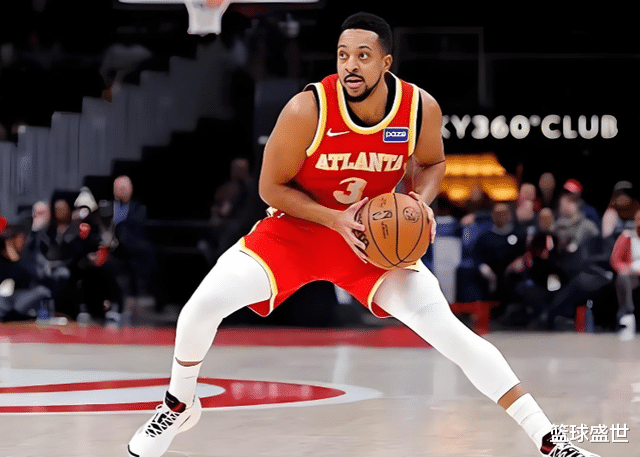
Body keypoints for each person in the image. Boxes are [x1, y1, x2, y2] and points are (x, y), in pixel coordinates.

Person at [127, 13, 600, 457]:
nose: (350, 65)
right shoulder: (306, 109)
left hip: (374, 240)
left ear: (385, 62)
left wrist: (419, 202)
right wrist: (333, 218)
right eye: (342, 55)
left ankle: (550, 441)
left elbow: (432, 163)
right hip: (297, 230)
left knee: (453, 335)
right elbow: (270, 187)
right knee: (200, 308)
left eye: (362, 56)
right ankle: (178, 404)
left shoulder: (418, 109)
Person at [610, 208, 640, 340]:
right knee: (623, 277)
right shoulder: (627, 236)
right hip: (632, 274)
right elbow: (615, 260)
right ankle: (628, 315)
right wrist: (628, 268)